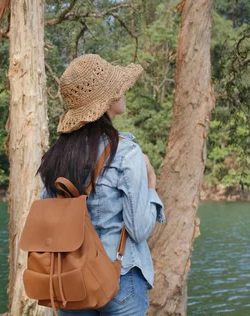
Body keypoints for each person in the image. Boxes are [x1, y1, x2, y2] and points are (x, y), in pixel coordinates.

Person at [38, 54, 165, 316]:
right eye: (118, 89)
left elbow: (49, 228)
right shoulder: (126, 153)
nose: (123, 92)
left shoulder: (56, 157)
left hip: (70, 279)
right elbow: (139, 229)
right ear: (107, 102)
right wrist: (151, 185)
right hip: (120, 277)